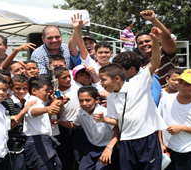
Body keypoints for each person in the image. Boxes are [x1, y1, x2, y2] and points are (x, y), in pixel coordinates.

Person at [95, 27, 168, 170]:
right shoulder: (111, 98)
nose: (101, 84)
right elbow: (116, 121)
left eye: (103, 80)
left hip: (147, 139)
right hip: (126, 141)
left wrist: (156, 40)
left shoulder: (140, 82)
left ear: (116, 78)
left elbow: (154, 63)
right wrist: (104, 120)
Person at [53, 85, 119, 170]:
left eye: (88, 100)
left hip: (108, 147)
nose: (84, 104)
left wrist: (109, 148)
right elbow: (74, 125)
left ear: (97, 100)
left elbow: (116, 131)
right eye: (81, 101)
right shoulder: (80, 112)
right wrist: (59, 121)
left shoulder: (104, 113)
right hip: (92, 147)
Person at [159, 69, 191, 170]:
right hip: (168, 150)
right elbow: (159, 122)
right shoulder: (166, 100)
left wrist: (182, 128)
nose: (182, 85)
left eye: (188, 83)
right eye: (180, 81)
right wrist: (161, 143)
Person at [23, 75, 62, 170]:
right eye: (46, 90)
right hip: (37, 142)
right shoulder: (32, 101)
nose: (48, 93)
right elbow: (33, 111)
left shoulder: (41, 103)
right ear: (34, 91)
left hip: (44, 140)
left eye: (49, 91)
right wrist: (48, 108)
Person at [0, 74, 35, 170]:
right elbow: (9, 127)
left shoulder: (31, 102)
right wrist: (23, 111)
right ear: (11, 88)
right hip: (14, 147)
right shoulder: (6, 103)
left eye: (25, 88)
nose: (22, 91)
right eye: (18, 88)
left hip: (28, 145)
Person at [136, 10, 176, 87]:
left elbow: (167, 38)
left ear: (154, 40)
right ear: (137, 46)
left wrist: (153, 20)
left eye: (147, 41)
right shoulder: (138, 62)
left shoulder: (164, 52)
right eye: (140, 43)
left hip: (169, 96)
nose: (144, 44)